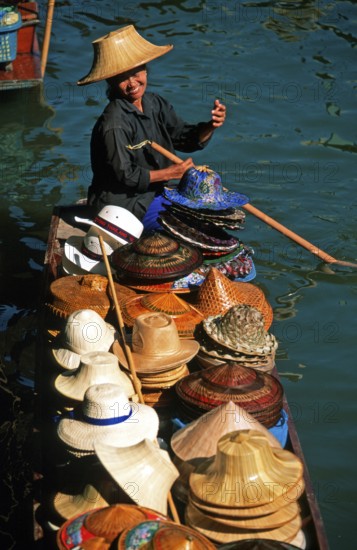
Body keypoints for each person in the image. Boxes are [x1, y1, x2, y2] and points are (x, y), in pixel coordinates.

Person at [77, 25, 226, 230]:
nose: (132, 83)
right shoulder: (113, 123)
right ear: (111, 82)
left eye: (136, 72)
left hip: (155, 193)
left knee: (212, 215)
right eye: (122, 78)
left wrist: (211, 126)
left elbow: (184, 137)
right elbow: (126, 175)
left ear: (145, 69)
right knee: (187, 227)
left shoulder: (155, 103)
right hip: (122, 205)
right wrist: (170, 173)